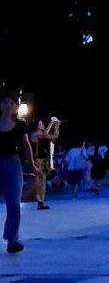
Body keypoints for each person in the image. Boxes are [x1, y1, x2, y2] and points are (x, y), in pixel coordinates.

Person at [0, 92, 40, 253]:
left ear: (15, 106)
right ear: (0, 105)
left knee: (14, 203)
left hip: (13, 165)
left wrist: (32, 165)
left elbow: (26, 145)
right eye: (5, 102)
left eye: (11, 102)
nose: (8, 105)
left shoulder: (20, 124)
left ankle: (12, 239)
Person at [27, 116, 60, 210]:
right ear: (37, 125)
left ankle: (41, 201)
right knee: (39, 180)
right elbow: (46, 134)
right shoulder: (35, 134)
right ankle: (39, 201)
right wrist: (51, 122)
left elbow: (55, 136)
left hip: (45, 160)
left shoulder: (43, 134)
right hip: (38, 160)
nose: (42, 124)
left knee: (43, 181)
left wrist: (57, 124)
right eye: (40, 123)